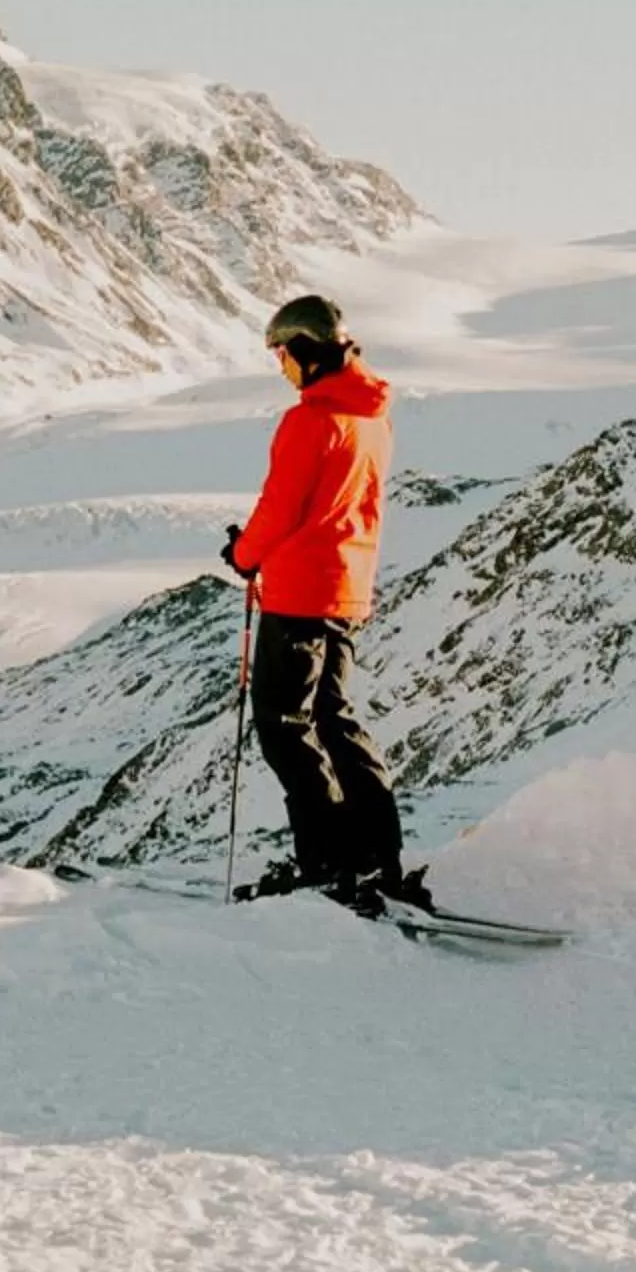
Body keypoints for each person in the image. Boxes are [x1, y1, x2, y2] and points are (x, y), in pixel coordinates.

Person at [221, 294, 430, 914]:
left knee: (284, 725)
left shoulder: (310, 422)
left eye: (283, 355)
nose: (281, 368)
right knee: (334, 718)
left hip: (298, 592)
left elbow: (282, 509)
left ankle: (327, 864)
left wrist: (244, 555)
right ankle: (375, 855)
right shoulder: (372, 419)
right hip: (346, 588)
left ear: (308, 352)